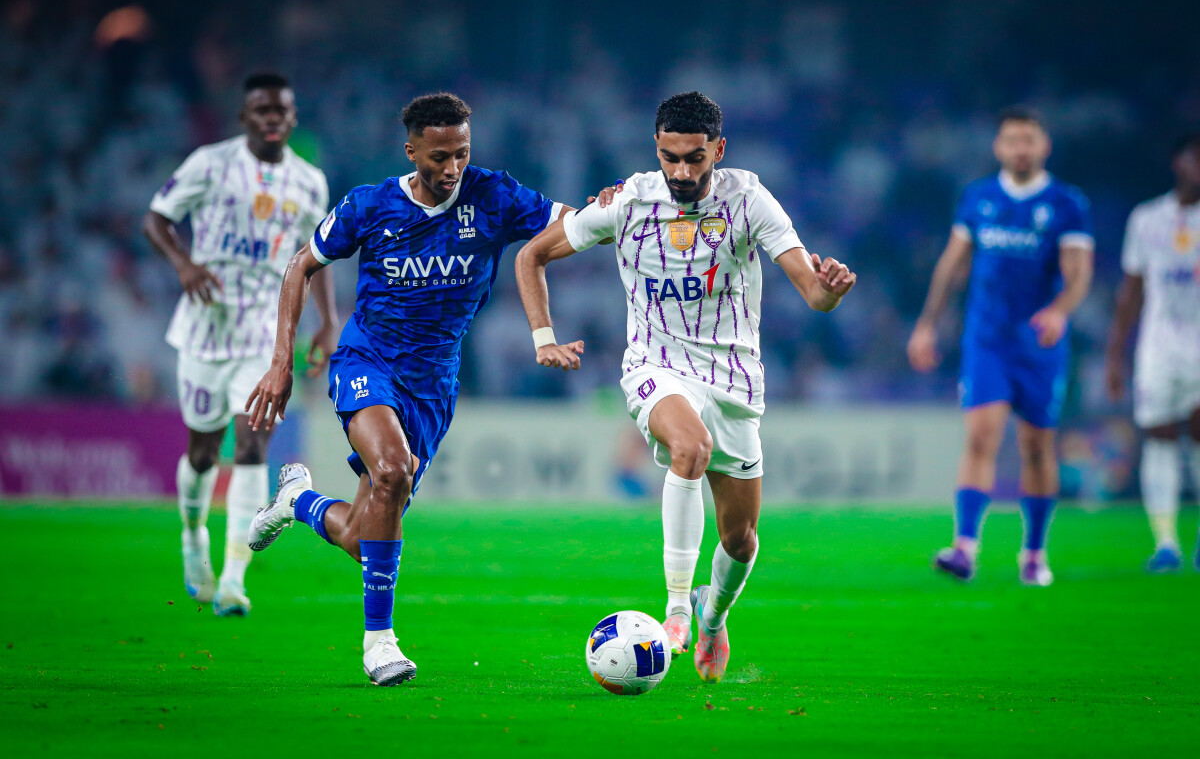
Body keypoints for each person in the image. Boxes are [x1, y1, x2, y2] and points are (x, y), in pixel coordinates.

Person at [514, 91, 856, 683]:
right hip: (656, 365)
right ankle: (674, 611)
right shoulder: (627, 202)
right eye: (670, 157)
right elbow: (531, 255)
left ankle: (711, 617)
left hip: (733, 379)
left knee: (741, 540)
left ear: (718, 150)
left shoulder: (748, 200)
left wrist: (830, 290)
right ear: (656, 147)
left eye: (695, 158)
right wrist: (543, 335)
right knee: (690, 447)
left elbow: (812, 293)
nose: (681, 172)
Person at [244, 92, 570, 686]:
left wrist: (615, 207)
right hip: (367, 360)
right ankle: (380, 643)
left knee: (362, 534)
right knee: (393, 471)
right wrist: (281, 362)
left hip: (433, 384)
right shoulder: (370, 205)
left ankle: (298, 501)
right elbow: (301, 266)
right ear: (411, 151)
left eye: (462, 154)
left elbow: (571, 224)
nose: (452, 168)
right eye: (439, 157)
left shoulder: (493, 196)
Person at [143, 72, 335, 616]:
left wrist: (328, 321)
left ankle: (233, 578)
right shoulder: (210, 164)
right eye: (262, 110)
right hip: (206, 328)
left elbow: (317, 256)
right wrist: (183, 264)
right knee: (203, 452)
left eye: (281, 111)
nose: (272, 119)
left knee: (252, 448)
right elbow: (156, 219)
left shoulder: (309, 183)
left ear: (292, 119)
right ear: (244, 117)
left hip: (265, 334)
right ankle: (193, 535)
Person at [907, 107, 1094, 586]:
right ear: (998, 147)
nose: (1021, 149)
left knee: (1037, 446)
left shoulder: (1067, 203)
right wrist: (927, 324)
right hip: (987, 339)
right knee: (981, 436)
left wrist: (1060, 310)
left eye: (1029, 140)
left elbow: (1078, 274)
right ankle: (964, 549)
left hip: (1039, 343)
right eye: (1012, 140)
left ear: (1044, 145)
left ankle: (1033, 554)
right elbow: (952, 265)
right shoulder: (980, 198)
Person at [1104, 134, 1200, 572]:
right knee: (1159, 438)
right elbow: (1131, 291)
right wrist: (1114, 355)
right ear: (1177, 162)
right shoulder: (1147, 219)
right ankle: (1166, 544)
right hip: (1158, 348)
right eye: (1194, 158)